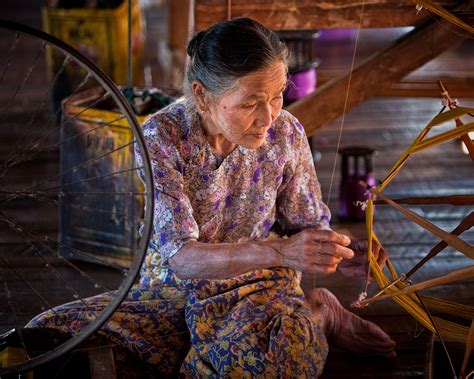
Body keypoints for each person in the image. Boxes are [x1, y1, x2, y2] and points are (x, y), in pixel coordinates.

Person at [28, 17, 396, 377]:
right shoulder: (162, 136)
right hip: (173, 290)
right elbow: (183, 259)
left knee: (266, 365)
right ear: (203, 95)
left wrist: (340, 249)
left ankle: (319, 313)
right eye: (250, 103)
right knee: (49, 334)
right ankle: (215, 348)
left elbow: (308, 223)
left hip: (257, 286)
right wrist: (280, 251)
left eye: (278, 95)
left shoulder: (285, 132)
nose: (268, 116)